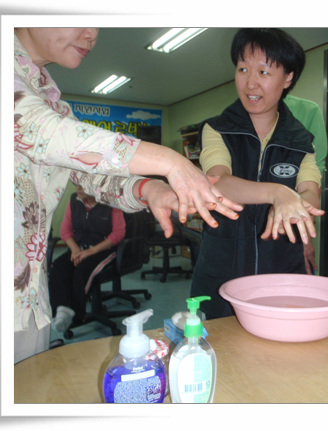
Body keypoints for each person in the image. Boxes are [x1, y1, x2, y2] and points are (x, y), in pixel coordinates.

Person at [14, 28, 242, 363]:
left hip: (26, 298)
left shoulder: (49, 99)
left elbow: (91, 175)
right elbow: (45, 132)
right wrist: (170, 161)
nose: (92, 34)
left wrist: (149, 189)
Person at [190, 28, 324, 319]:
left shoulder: (303, 140)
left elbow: (310, 188)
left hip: (280, 271)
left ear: (288, 78)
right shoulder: (217, 129)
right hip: (221, 273)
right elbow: (218, 182)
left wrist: (301, 206)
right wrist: (278, 193)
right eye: (242, 69)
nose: (250, 83)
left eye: (264, 72)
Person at [48, 186, 126, 333]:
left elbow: (118, 233)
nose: (78, 186)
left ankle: (76, 314)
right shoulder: (74, 200)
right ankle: (61, 310)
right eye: (76, 182)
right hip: (79, 248)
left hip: (103, 249)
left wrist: (90, 252)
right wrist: (75, 250)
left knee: (82, 271)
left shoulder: (111, 202)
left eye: (83, 183)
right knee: (59, 266)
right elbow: (65, 230)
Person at [284, 94, 328, 274]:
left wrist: (306, 238)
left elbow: (316, 172)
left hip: (293, 219)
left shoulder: (307, 111)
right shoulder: (237, 114)